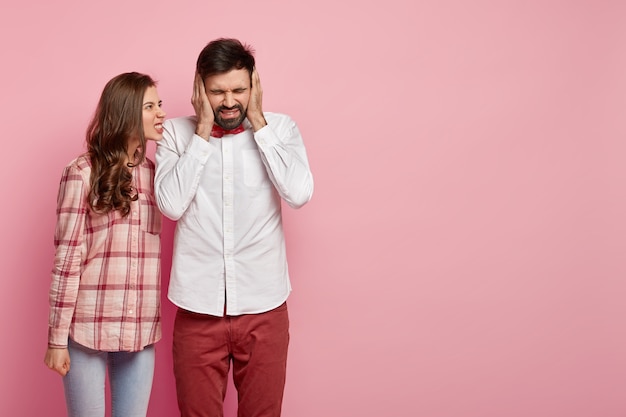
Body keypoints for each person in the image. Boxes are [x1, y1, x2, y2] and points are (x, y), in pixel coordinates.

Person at [154, 38, 314, 417]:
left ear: (254, 85)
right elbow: (171, 206)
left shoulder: (281, 129)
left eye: (239, 90)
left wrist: (259, 124)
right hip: (197, 309)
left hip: (265, 306)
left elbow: (299, 193)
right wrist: (203, 133)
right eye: (217, 91)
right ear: (199, 89)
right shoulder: (176, 135)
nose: (229, 102)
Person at [44, 72, 166, 417]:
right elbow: (67, 259)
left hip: (139, 332)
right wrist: (56, 339)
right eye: (150, 106)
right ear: (127, 112)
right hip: (86, 330)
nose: (160, 113)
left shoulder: (156, 173)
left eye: (160, 105)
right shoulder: (82, 172)